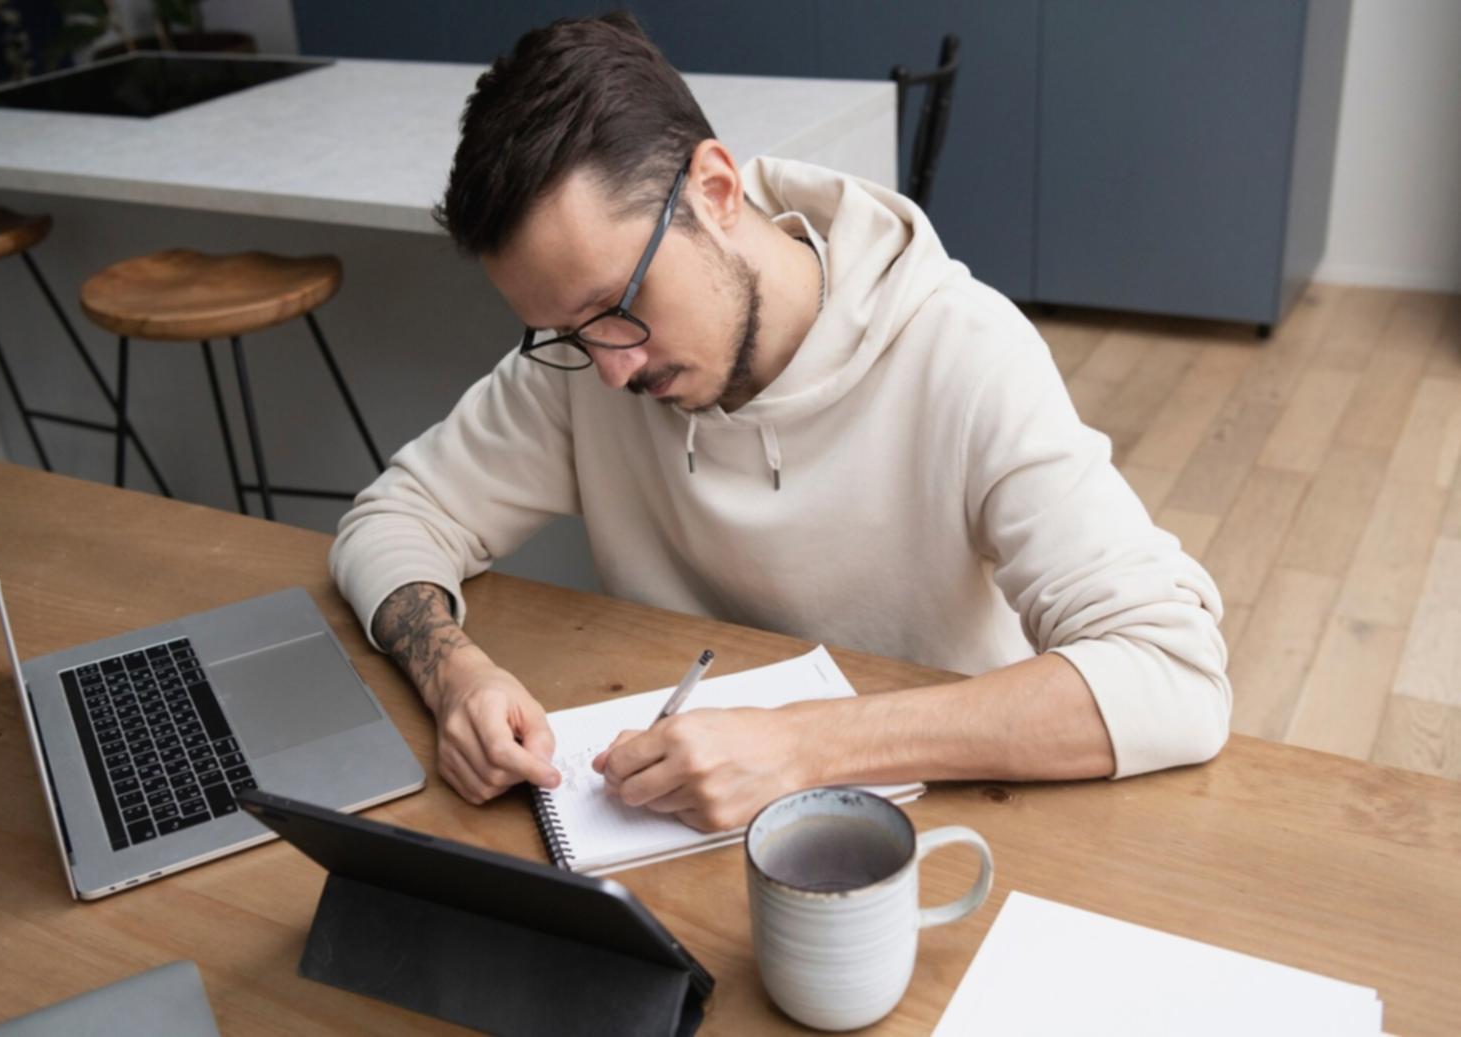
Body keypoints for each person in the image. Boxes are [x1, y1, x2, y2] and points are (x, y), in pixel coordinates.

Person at [331, 13, 1230, 832]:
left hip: (942, 824)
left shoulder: (962, 350)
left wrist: (806, 746)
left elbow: (1172, 674)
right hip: (665, 823)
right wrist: (454, 673)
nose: (610, 365)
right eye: (566, 331)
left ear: (715, 191)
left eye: (618, 303)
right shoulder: (587, 368)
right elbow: (390, 518)